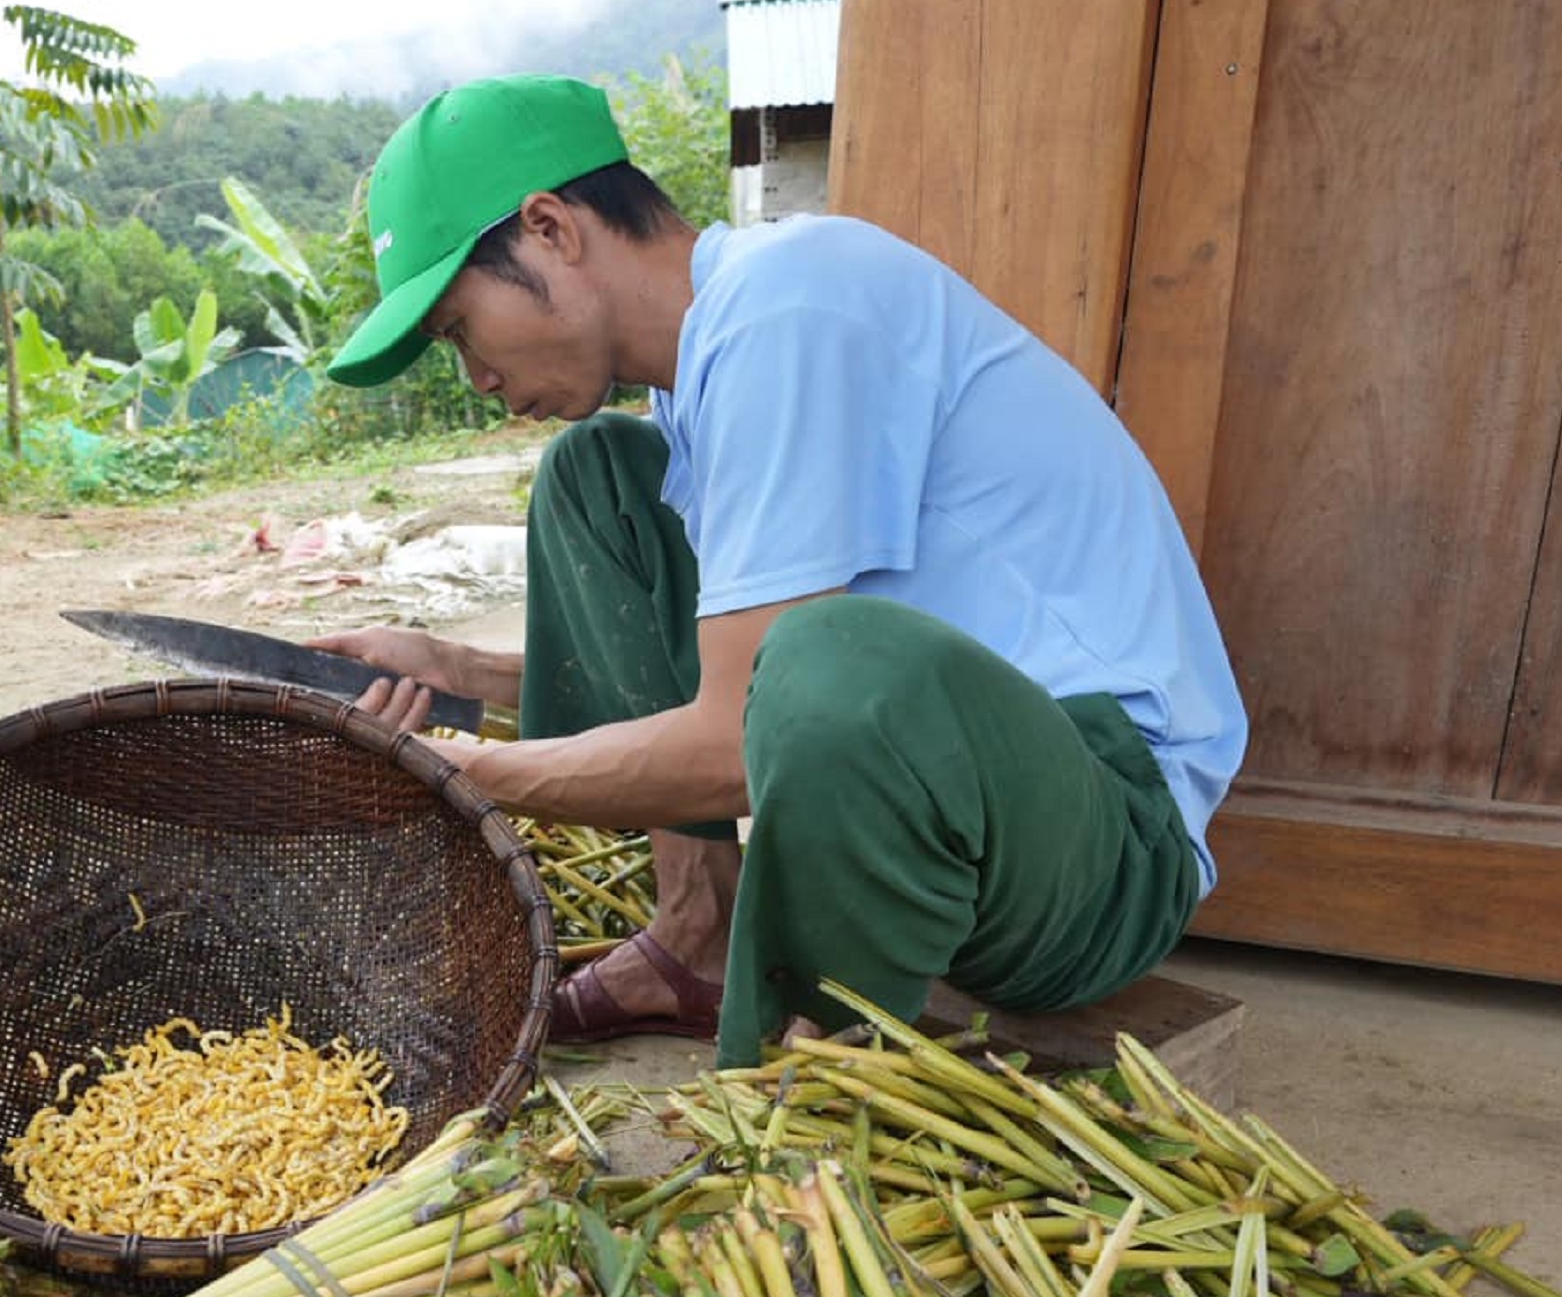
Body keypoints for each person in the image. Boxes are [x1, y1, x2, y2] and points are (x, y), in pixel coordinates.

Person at [312, 75, 1248, 1066]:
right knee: (600, 478)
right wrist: (461, 671)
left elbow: (743, 736)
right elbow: (737, 660)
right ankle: (698, 932)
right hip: (963, 788)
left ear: (549, 227)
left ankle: (814, 1068)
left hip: (1101, 842)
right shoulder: (709, 375)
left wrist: (467, 773)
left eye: (459, 329)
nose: (477, 378)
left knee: (827, 654)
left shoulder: (791, 307)